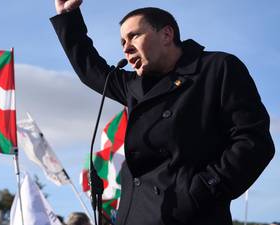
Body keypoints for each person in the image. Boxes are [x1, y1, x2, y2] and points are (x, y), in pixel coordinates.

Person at [50, 1, 275, 225]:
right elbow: (91, 69)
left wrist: (200, 192)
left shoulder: (217, 68)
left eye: (134, 36)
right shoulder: (134, 86)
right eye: (122, 42)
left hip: (191, 217)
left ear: (167, 34)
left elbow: (253, 141)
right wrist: (68, 15)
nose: (126, 48)